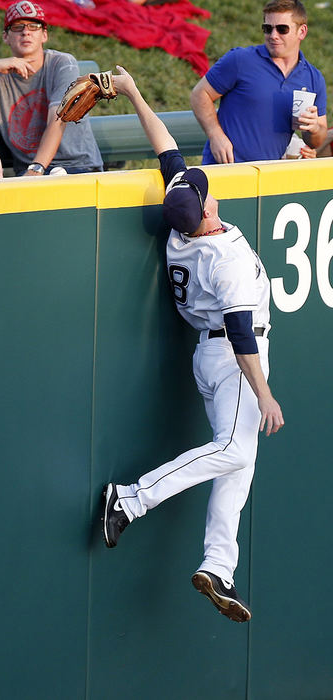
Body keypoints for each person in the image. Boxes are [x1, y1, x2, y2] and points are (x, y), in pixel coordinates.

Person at [102, 67, 284, 624]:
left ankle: (218, 565)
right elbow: (240, 332)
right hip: (232, 358)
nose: (204, 188)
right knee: (231, 450)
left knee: (240, 466)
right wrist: (266, 391)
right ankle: (130, 498)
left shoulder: (183, 221)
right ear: (206, 211)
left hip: (217, 353)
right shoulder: (219, 258)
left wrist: (134, 90)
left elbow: (165, 147)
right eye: (204, 193)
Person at [0, 0, 103, 176]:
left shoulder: (62, 64)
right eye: (17, 27)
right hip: (29, 172)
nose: (26, 32)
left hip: (77, 167)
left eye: (34, 26)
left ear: (44, 35)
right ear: (5, 37)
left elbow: (58, 119)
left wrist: (36, 169)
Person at [190, 0, 327, 164]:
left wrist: (313, 129)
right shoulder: (240, 60)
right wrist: (215, 135)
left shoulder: (313, 78)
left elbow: (316, 140)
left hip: (268, 178)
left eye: (282, 29)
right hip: (223, 170)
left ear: (302, 32)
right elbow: (199, 94)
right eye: (267, 29)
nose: (273, 35)